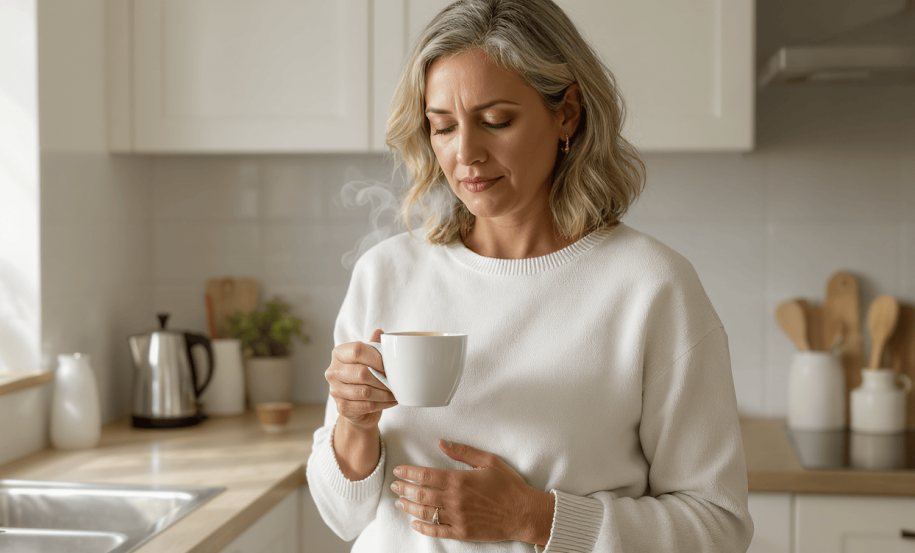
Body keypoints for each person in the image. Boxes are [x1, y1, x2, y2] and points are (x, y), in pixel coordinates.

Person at [305, 0, 754, 551]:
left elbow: (718, 526)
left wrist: (535, 517)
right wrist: (354, 425)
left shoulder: (651, 286)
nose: (466, 153)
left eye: (496, 121)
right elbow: (342, 518)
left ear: (567, 113)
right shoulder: (386, 272)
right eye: (442, 127)